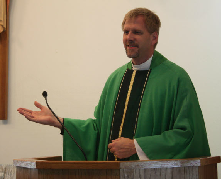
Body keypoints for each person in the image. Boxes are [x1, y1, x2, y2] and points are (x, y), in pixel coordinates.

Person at [17, 8, 211, 161]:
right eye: (126, 32)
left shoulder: (175, 78)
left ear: (154, 37)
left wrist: (137, 146)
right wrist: (59, 121)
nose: (129, 37)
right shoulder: (116, 78)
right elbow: (98, 131)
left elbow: (189, 136)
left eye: (137, 32)